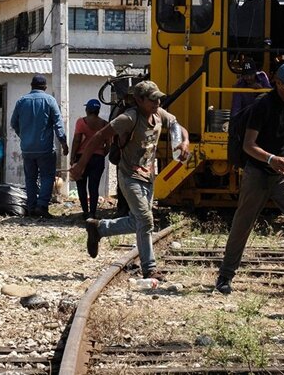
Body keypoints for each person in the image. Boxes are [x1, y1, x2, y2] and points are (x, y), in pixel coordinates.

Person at [215, 62, 284, 295]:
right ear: (277, 83)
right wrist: (271, 159)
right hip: (257, 172)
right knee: (242, 223)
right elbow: (249, 145)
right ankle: (225, 275)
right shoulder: (262, 106)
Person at [73, 80, 188, 281]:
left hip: (148, 177)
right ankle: (149, 269)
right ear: (139, 100)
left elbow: (177, 126)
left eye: (159, 99)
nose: (157, 103)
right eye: (152, 100)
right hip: (129, 176)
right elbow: (99, 137)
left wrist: (184, 142)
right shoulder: (129, 118)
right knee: (146, 220)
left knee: (137, 221)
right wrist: (81, 164)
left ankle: (99, 228)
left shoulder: (159, 115)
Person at [10, 74, 69, 217]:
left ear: (31, 86)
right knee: (47, 177)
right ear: (45, 87)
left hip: (27, 149)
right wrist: (63, 143)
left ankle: (31, 208)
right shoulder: (50, 100)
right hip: (45, 149)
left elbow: (13, 123)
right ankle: (42, 206)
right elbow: (58, 123)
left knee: (30, 178)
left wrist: (23, 136)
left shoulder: (21, 101)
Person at [70, 99, 108, 219]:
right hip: (98, 158)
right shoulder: (105, 124)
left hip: (82, 158)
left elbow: (76, 140)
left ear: (87, 110)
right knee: (94, 186)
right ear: (98, 110)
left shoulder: (81, 122)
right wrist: (101, 154)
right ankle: (92, 213)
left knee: (81, 185)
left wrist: (72, 157)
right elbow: (109, 145)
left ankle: (85, 212)